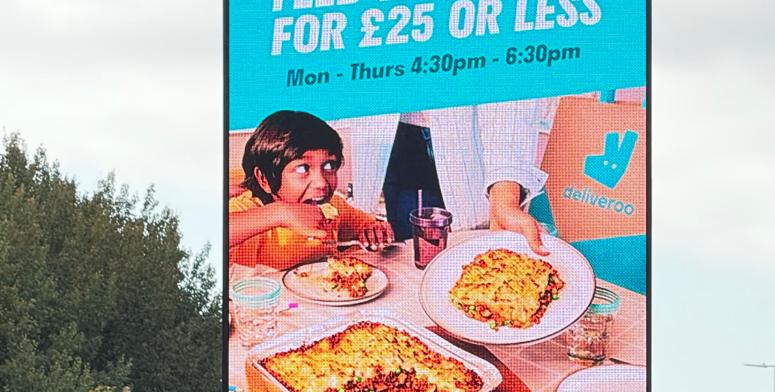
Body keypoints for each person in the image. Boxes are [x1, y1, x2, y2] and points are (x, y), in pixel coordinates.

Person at [340, 100, 557, 255]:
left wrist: (505, 200)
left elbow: (507, 89)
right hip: (389, 141)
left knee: (472, 257)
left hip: (466, 148)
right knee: (406, 260)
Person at [228, 109, 393, 269]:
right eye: (303, 168)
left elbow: (366, 226)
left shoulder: (334, 207)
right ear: (264, 179)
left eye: (329, 166)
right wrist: (279, 213)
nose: (321, 183)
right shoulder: (246, 209)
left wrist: (373, 231)